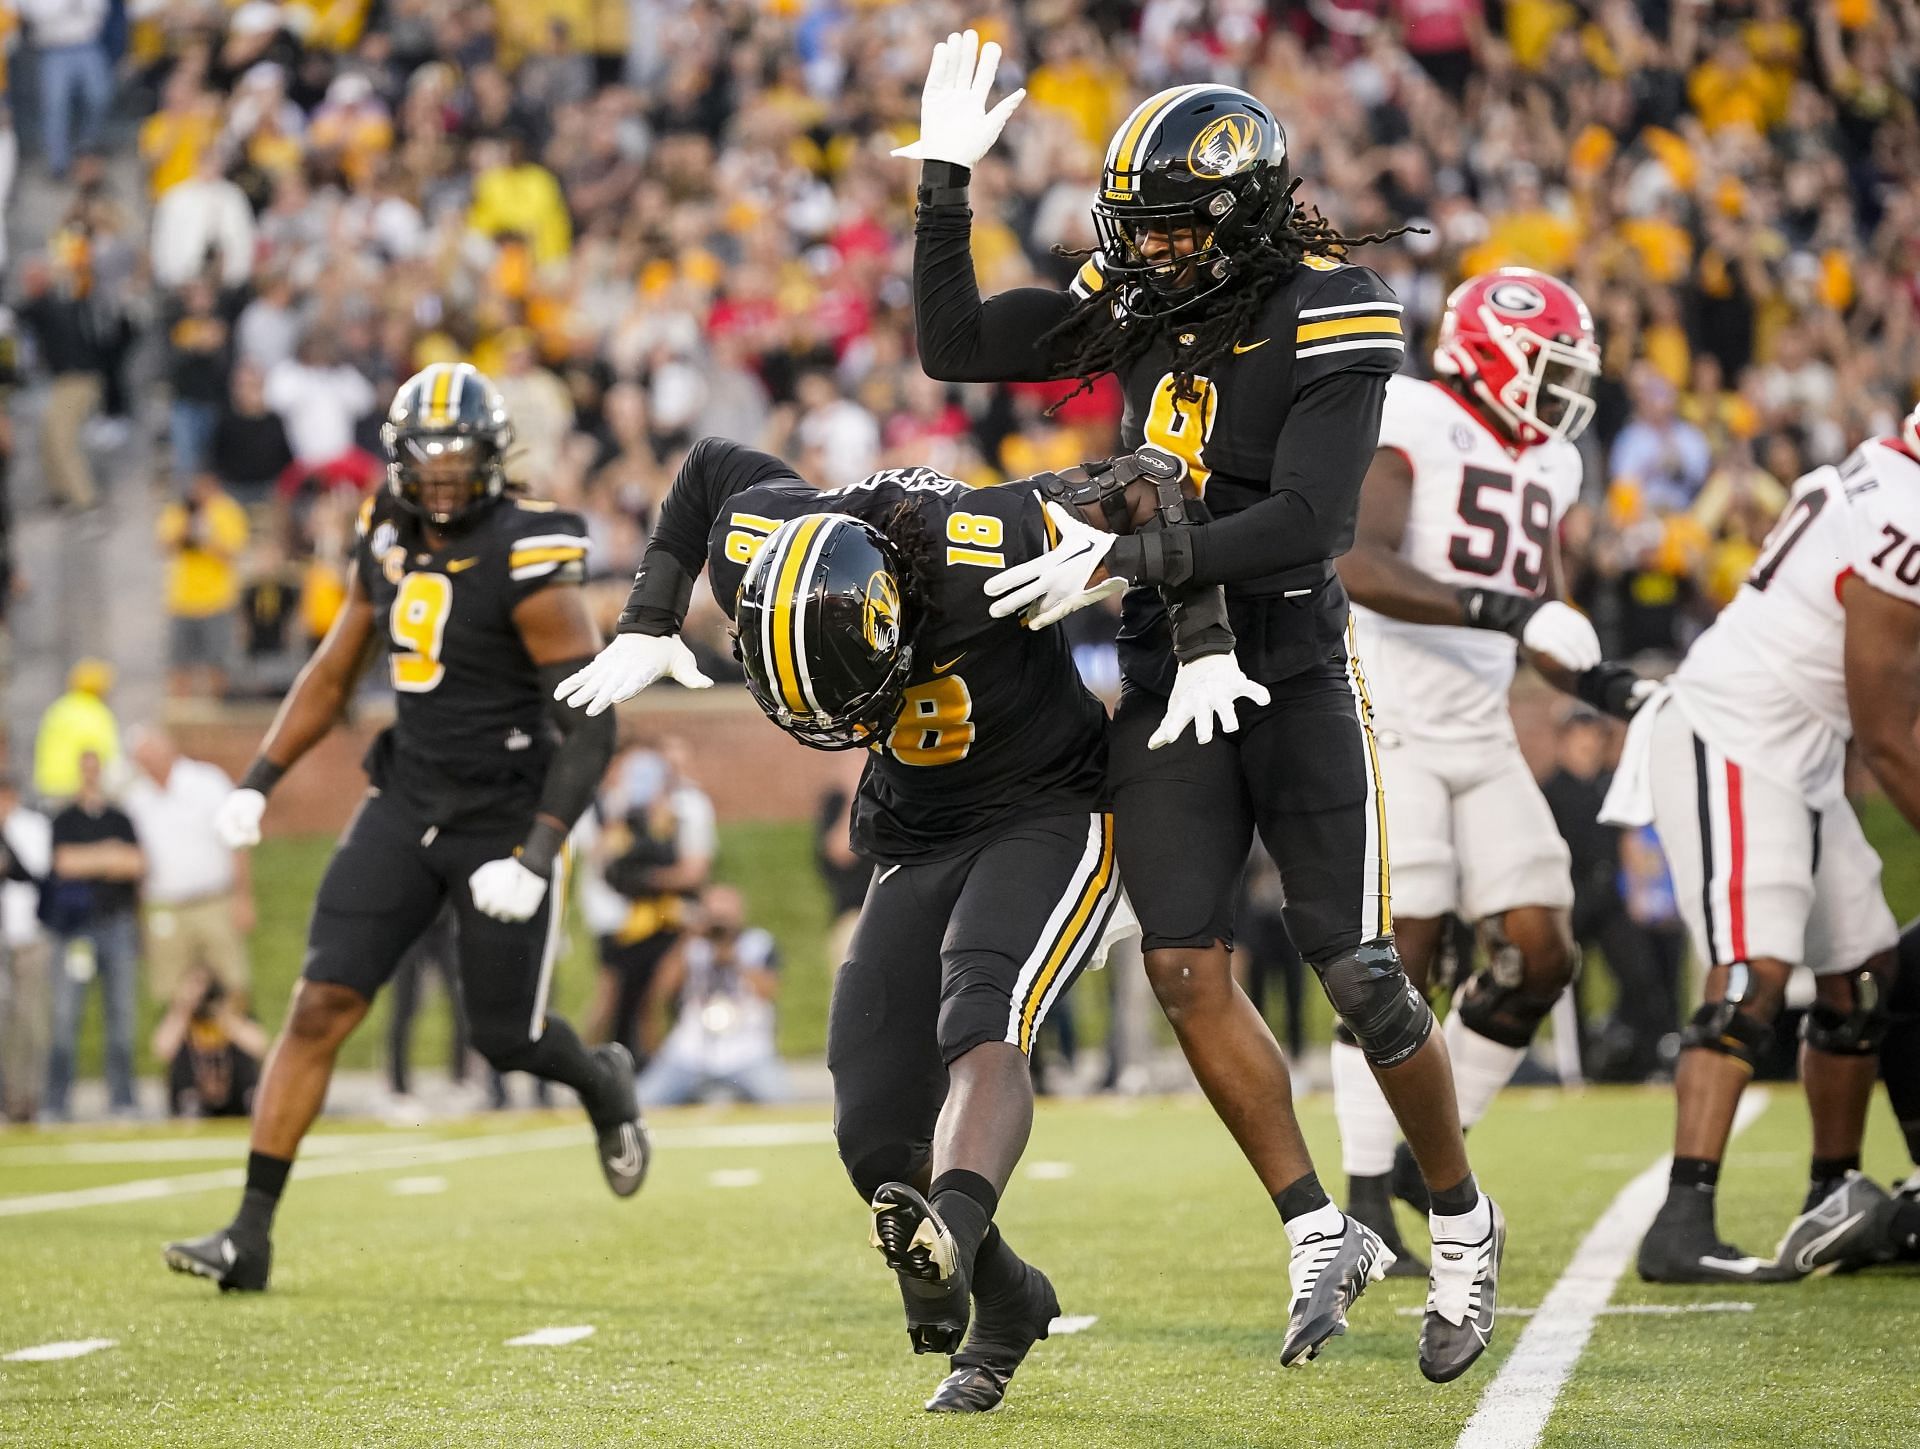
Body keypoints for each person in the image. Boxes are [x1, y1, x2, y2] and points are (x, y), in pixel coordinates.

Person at [898, 35, 1500, 1379]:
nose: (1147, 260)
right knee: (1181, 964)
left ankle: (1460, 1218)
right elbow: (948, 343)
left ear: (1235, 222)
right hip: (1171, 670)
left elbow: (1312, 522)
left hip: (1289, 665)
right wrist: (945, 183)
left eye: (1172, 238)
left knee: (1353, 967)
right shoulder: (1141, 297)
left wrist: (1123, 555)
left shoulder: (1335, 308)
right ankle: (1314, 1227)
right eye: (1141, 238)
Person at [558, 437, 1220, 1413]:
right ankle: (1009, 1301)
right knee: (872, 1135)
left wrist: (1193, 645)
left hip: (1052, 807)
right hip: (918, 833)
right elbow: (704, 470)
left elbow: (1158, 482)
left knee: (979, 1007)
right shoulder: (762, 537)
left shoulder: (989, 537)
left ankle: (952, 1231)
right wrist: (650, 615)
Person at [162, 362, 645, 1295]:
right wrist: (260, 778)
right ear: (398, 465)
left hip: (505, 813)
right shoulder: (384, 528)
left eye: (459, 461)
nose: (442, 481)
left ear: (494, 459)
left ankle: (602, 1083)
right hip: (407, 798)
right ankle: (249, 1233)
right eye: (425, 464)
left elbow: (594, 723)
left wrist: (539, 850)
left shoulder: (529, 553)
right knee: (318, 1005)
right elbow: (339, 667)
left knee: (505, 1037)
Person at [1325, 269, 1647, 1269]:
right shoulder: (1413, 414)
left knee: (1541, 951)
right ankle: (1365, 1197)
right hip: (1393, 714)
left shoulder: (1553, 462)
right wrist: (1509, 617)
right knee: (1401, 951)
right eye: (1548, 370)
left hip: (1482, 725)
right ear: (1490, 354)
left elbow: (1536, 607)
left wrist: (1603, 680)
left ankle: (1436, 1159)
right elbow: (1358, 561)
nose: (1560, 395)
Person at [1602, 399, 1920, 1283]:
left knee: (1863, 974)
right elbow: (1889, 732)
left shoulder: (1888, 473)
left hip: (1801, 748)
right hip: (1734, 732)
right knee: (1755, 975)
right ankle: (1682, 1220)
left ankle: (1832, 1193)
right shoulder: (1905, 511)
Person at [43, 751, 146, 1120]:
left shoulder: (120, 818)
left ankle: (123, 1100)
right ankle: (55, 1102)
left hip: (117, 924)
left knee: (121, 1017)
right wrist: (109, 855)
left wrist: (94, 860)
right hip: (77, 930)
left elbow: (136, 864)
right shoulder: (66, 819)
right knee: (65, 1017)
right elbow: (64, 864)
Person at [123, 726, 255, 1013]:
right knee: (172, 988)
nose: (148, 766)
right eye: (142, 761)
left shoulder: (207, 781)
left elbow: (237, 839)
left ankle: (238, 1050)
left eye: (152, 758)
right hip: (165, 907)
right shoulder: (136, 798)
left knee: (230, 980)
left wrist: (243, 896)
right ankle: (184, 1055)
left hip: (213, 900)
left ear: (168, 751)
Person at [637, 884, 787, 1106]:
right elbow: (663, 989)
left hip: (748, 1051)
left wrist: (733, 957)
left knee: (785, 1103)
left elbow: (768, 992)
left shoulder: (758, 944)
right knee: (643, 1101)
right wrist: (688, 937)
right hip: (690, 1052)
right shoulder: (690, 945)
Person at [0, 775, 53, 1123]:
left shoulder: (33, 826)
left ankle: (30, 1099)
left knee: (31, 1021)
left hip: (29, 935)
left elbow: (35, 873)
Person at [154, 967, 268, 1119]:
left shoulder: (231, 1015)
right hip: (195, 1097)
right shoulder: (182, 1019)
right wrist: (182, 1009)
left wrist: (226, 1015)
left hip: (233, 1096)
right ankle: (189, 1111)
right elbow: (163, 1049)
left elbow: (260, 1046)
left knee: (245, 1060)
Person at [33, 658, 122, 802]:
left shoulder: (58, 708)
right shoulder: (97, 713)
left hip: (50, 788)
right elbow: (101, 753)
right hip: (79, 791)